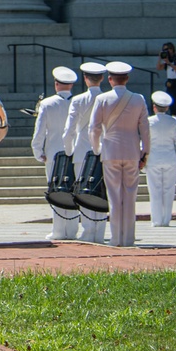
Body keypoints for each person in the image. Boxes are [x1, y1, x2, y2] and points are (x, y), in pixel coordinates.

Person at [89, 61, 150, 247]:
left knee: (114, 196)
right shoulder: (138, 99)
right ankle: (128, 238)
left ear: (110, 79)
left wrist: (97, 148)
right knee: (130, 196)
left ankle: (116, 238)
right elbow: (145, 130)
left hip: (110, 151)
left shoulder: (102, 99)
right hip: (132, 151)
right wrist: (144, 153)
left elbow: (94, 128)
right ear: (127, 78)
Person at [61, 62, 108, 243]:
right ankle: (100, 231)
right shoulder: (107, 98)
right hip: (103, 148)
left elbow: (69, 130)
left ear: (85, 79)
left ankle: (88, 230)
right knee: (101, 190)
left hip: (82, 149)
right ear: (102, 78)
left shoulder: (78, 100)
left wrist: (69, 150)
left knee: (84, 191)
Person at [31, 66, 79, 240]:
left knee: (56, 190)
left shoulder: (47, 103)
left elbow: (40, 130)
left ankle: (58, 229)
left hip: (53, 153)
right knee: (73, 190)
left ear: (56, 84)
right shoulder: (78, 101)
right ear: (71, 85)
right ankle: (72, 229)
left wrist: (37, 150)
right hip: (74, 151)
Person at [145, 90, 176, 227]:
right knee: (168, 190)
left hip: (153, 159)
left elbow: (144, 142)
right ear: (167, 108)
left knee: (155, 190)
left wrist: (143, 160)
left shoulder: (149, 122)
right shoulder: (173, 121)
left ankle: (156, 220)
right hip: (170, 159)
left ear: (154, 107)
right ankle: (166, 219)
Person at [156, 42, 176, 131]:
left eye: (168, 49)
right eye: (164, 49)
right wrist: (160, 58)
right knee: (171, 105)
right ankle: (174, 126)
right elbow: (158, 68)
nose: (167, 51)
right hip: (170, 83)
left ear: (172, 49)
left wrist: (169, 62)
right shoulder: (167, 60)